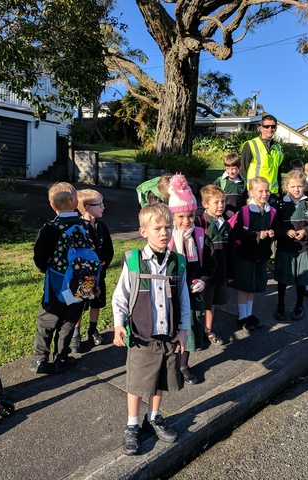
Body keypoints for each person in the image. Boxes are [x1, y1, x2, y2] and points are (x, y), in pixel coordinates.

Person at [112, 203, 190, 456]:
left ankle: (153, 417)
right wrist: (118, 324)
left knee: (160, 380)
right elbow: (120, 297)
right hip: (141, 336)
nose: (164, 232)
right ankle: (132, 424)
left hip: (168, 336)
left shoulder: (178, 263)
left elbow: (184, 299)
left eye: (168, 227)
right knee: (137, 383)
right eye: (157, 228)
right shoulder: (134, 261)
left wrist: (183, 330)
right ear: (144, 231)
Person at [30, 182, 98, 375]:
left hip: (57, 282)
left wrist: (48, 270)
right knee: (70, 319)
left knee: (47, 319)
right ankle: (61, 357)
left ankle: (40, 359)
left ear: (53, 206)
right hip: (83, 281)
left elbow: (39, 257)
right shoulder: (86, 226)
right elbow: (95, 252)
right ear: (76, 202)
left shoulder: (50, 229)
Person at [167, 174, 216, 385]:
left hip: (193, 291)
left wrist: (203, 280)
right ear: (172, 217)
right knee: (171, 328)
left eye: (190, 216)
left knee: (188, 328)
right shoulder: (167, 237)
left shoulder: (201, 235)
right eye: (181, 217)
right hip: (171, 293)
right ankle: (169, 364)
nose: (186, 221)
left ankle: (184, 364)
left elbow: (211, 263)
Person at [229, 177, 277, 330]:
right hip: (245, 255)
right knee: (245, 287)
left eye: (267, 190)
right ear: (251, 192)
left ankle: (249, 314)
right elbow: (237, 233)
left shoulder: (271, 211)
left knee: (253, 287)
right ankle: (242, 316)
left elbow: (277, 229)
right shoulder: (244, 212)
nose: (265, 194)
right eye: (260, 191)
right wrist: (257, 235)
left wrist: (271, 233)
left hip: (261, 255)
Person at [69, 189, 114, 353]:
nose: (103, 207)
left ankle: (92, 329)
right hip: (84, 276)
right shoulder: (77, 228)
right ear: (87, 207)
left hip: (99, 273)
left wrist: (105, 262)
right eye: (99, 204)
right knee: (80, 303)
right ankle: (75, 333)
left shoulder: (102, 226)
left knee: (97, 302)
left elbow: (109, 249)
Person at [273, 171, 308, 321]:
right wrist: (285, 231)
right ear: (287, 186)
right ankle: (280, 304)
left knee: (301, 279)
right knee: (282, 279)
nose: (296, 189)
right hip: (285, 247)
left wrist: (305, 231)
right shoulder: (281, 204)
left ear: (305, 186)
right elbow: (275, 224)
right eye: (293, 186)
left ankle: (299, 305)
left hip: (303, 248)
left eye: (299, 186)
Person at [195, 185, 230, 347]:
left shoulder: (226, 223)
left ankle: (208, 329)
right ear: (205, 204)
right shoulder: (200, 222)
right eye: (216, 202)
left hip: (220, 270)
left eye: (222, 201)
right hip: (205, 272)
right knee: (201, 302)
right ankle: (196, 331)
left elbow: (231, 249)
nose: (221, 205)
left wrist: (231, 270)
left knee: (212, 303)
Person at [240, 114, 285, 202]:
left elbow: (278, 171)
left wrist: (279, 191)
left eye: (273, 126)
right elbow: (243, 171)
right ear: (260, 128)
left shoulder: (278, 147)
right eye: (266, 126)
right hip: (255, 193)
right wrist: (244, 192)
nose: (270, 129)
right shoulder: (250, 145)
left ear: (276, 128)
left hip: (272, 193)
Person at [213, 152, 247, 219]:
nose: (230, 171)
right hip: (222, 217)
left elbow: (244, 201)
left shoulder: (243, 183)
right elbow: (213, 199)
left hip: (237, 218)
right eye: (227, 168)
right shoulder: (220, 181)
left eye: (233, 168)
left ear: (239, 167)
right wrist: (225, 210)